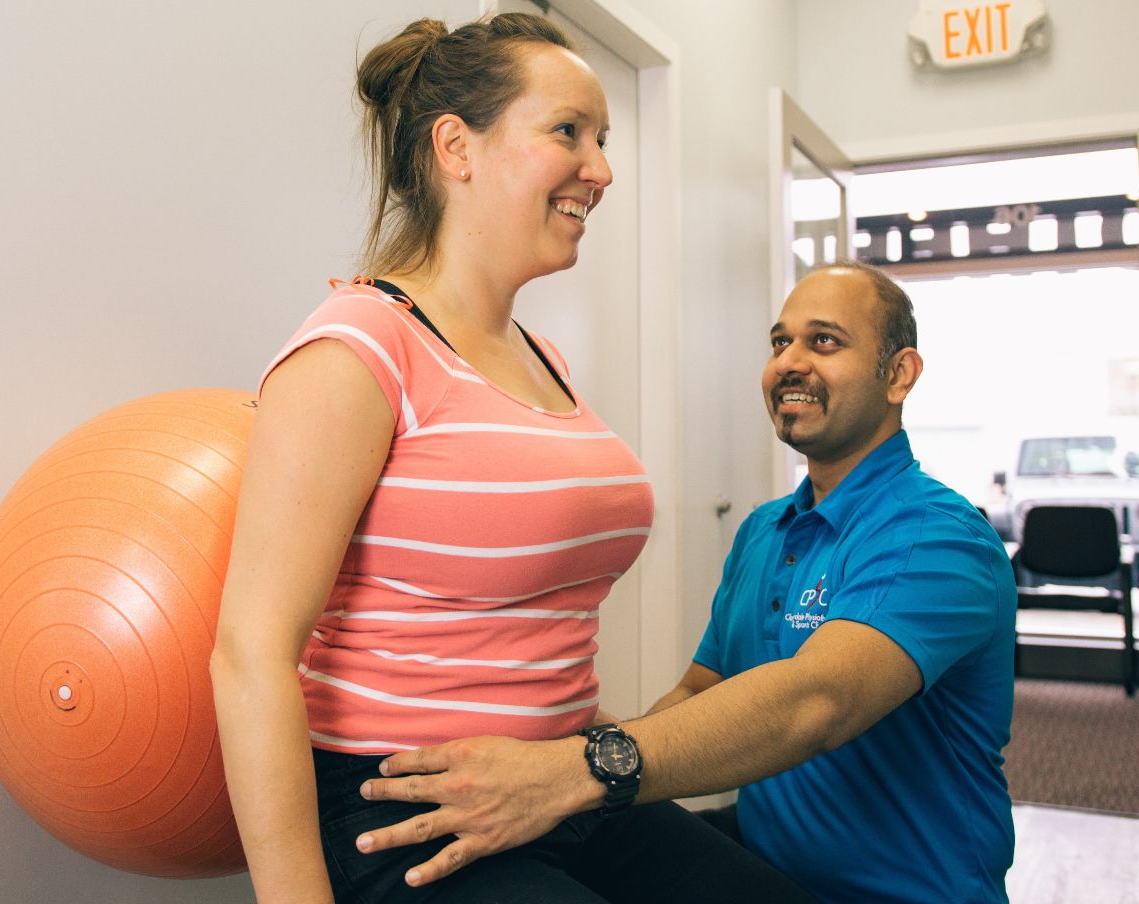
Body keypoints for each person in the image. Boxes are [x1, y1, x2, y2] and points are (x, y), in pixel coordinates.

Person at [210, 12, 813, 904]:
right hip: (410, 808)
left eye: (602, 138)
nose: (601, 168)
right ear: (457, 147)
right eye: (567, 132)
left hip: (558, 782)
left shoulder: (542, 357)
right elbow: (249, 649)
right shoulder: (358, 348)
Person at [358, 261, 1018, 903]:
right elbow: (705, 688)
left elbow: (818, 702)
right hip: (762, 866)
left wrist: (583, 769)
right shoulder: (767, 530)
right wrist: (558, 743)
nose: (790, 361)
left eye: (824, 341)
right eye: (779, 342)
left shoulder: (934, 535)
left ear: (898, 375)